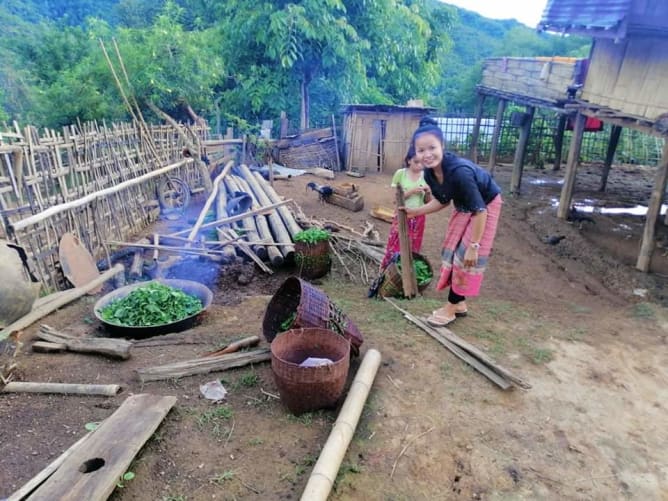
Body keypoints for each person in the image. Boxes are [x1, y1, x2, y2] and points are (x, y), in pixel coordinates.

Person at [402, 117, 502, 326]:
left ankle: (451, 307)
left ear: (443, 146)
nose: (427, 154)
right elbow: (443, 200)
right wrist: (415, 212)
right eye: (421, 150)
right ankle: (460, 303)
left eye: (432, 148)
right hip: (465, 206)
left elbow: (481, 210)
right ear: (415, 152)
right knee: (452, 250)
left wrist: (475, 246)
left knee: (465, 255)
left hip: (486, 204)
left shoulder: (460, 172)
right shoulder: (429, 173)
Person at [379, 146, 431, 271]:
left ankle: (406, 272)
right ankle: (388, 271)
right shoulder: (400, 174)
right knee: (395, 243)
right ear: (408, 161)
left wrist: (428, 192)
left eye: (422, 162)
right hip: (402, 215)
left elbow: (427, 202)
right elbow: (394, 198)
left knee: (413, 246)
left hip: (418, 217)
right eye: (416, 162)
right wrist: (411, 191)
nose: (420, 166)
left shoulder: (426, 176)